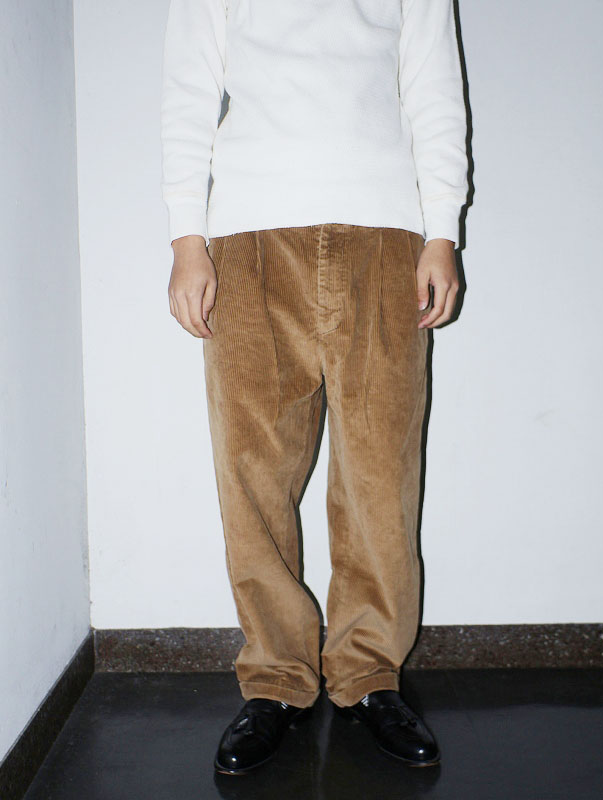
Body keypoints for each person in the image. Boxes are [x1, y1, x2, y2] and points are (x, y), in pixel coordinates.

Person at [160, 0, 468, 776]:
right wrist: (187, 238)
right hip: (249, 234)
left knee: (380, 471)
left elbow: (433, 86)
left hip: (385, 232)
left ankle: (369, 674)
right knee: (253, 473)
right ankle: (276, 679)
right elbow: (188, 90)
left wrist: (442, 230)